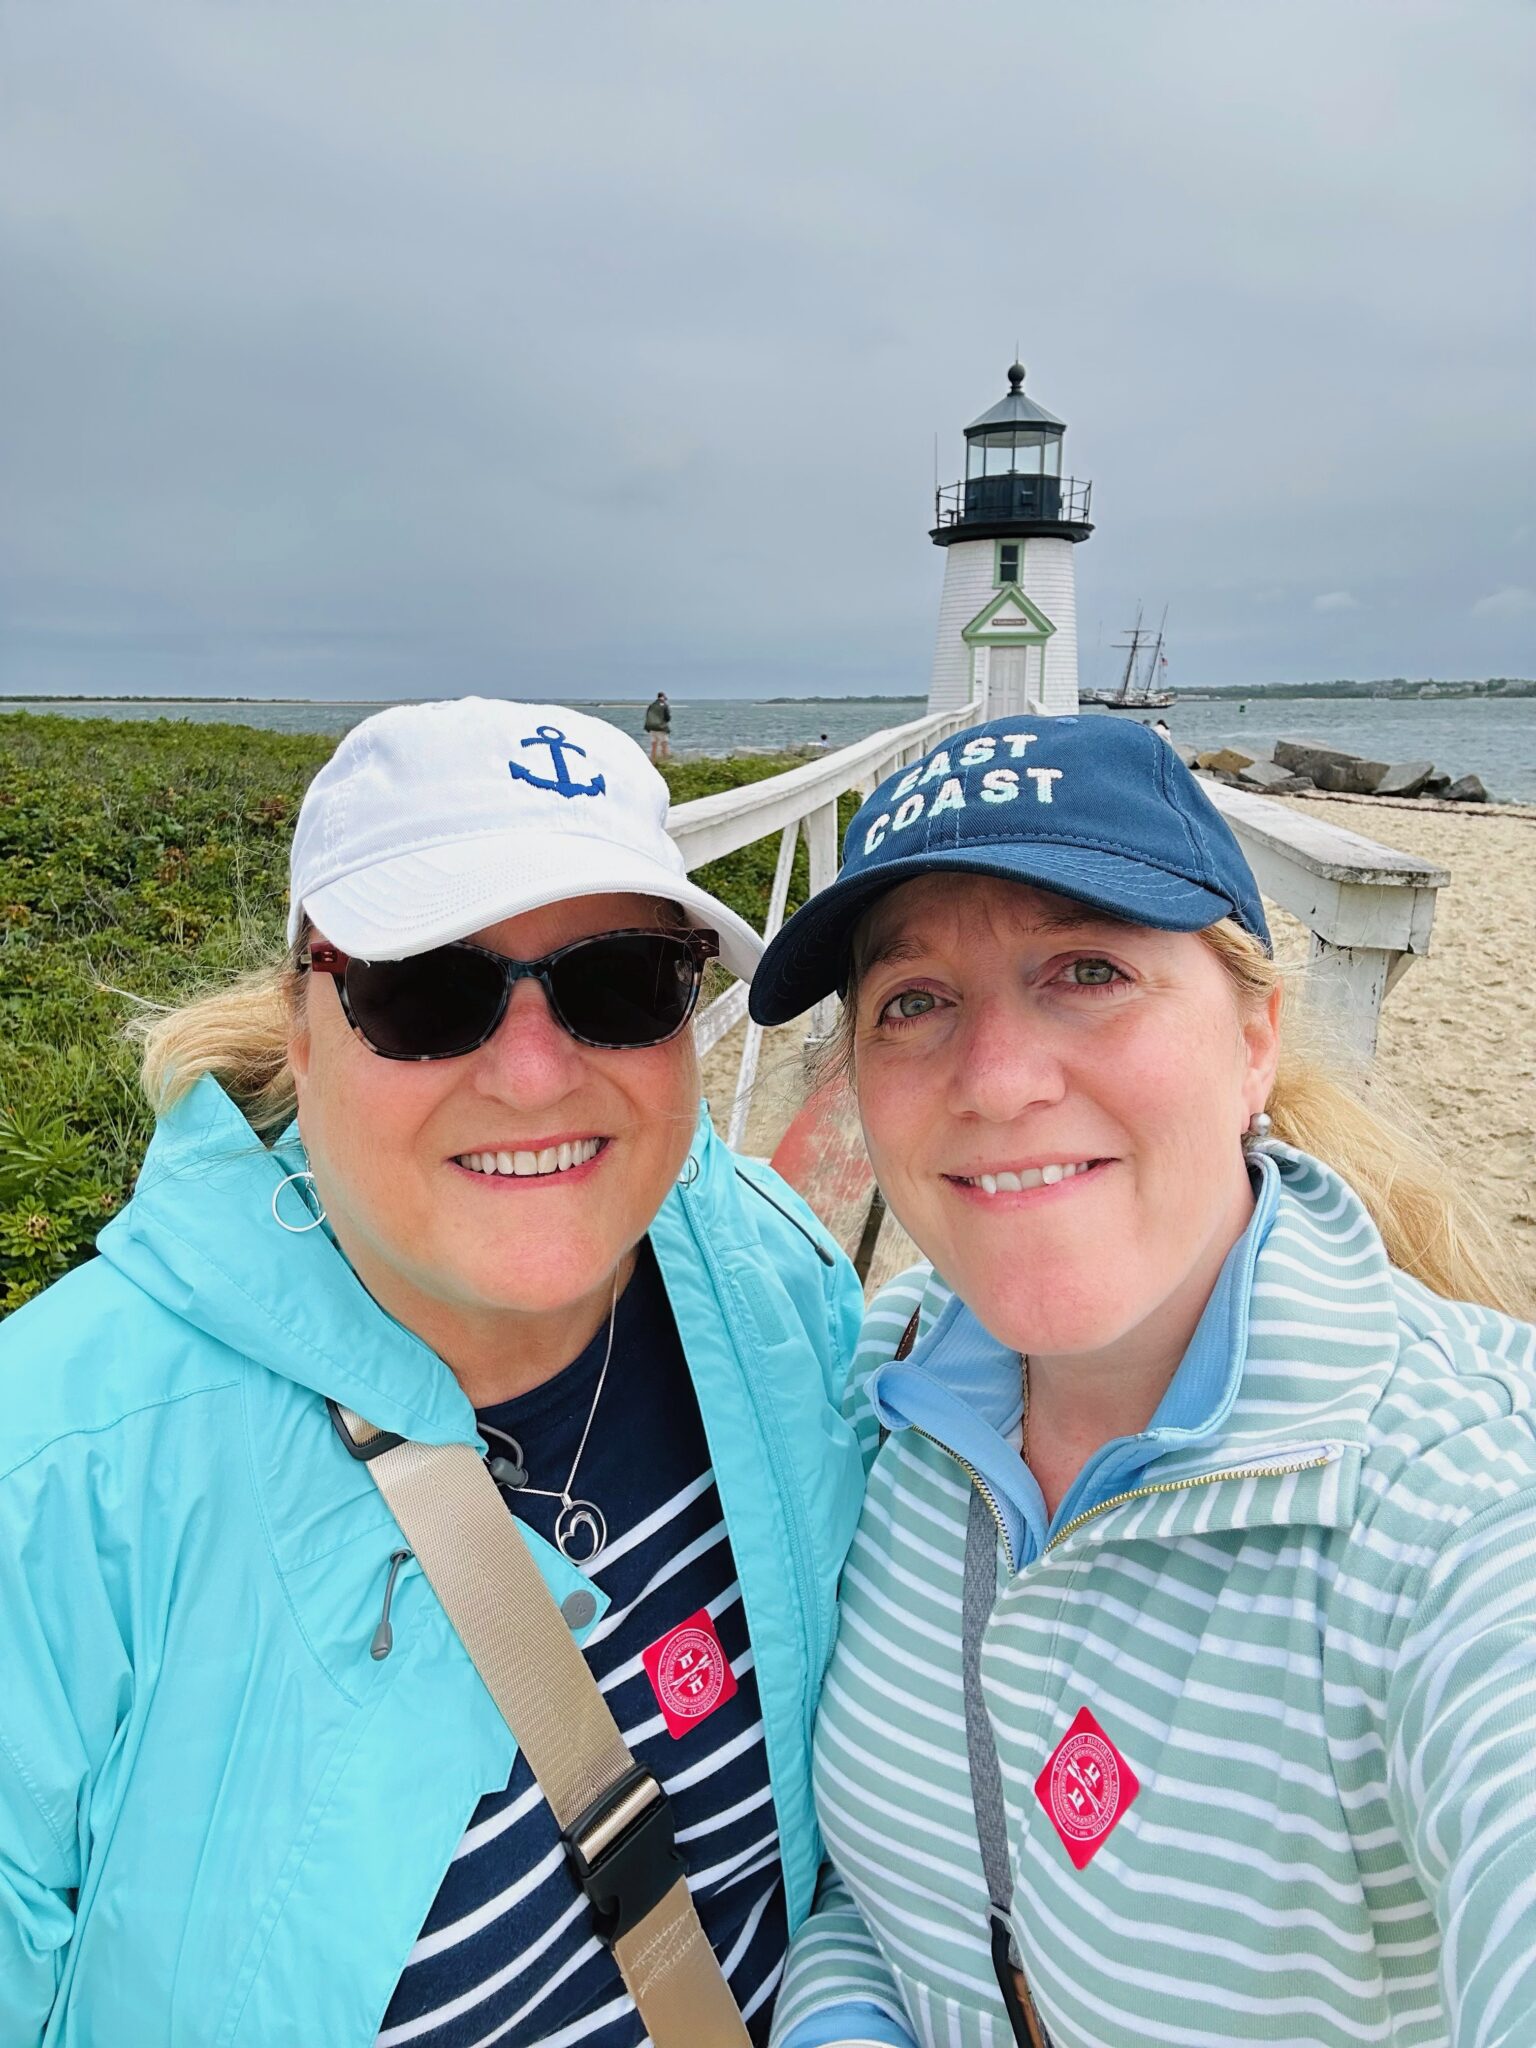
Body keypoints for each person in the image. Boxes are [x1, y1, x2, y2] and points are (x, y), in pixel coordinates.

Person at [0, 699, 867, 2047]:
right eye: (426, 995)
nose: (531, 1074)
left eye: (620, 983)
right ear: (302, 1024)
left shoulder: (776, 1286)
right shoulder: (54, 1472)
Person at [749, 713, 1536, 2047]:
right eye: (916, 1002)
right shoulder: (885, 1390)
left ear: (1254, 1041)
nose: (996, 1082)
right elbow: (887, 1893)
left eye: (1087, 970)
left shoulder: (1456, 1499)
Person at [643, 690, 672, 761]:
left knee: (654, 745)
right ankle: (666, 760)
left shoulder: (651, 705)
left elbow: (647, 716)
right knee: (664, 743)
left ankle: (653, 760)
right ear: (663, 697)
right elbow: (667, 718)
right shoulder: (664, 706)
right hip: (661, 728)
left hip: (652, 728)